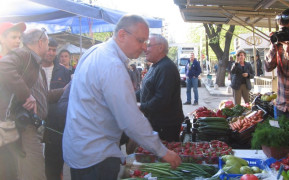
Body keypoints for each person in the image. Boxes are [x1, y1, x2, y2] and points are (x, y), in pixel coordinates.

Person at [62, 14, 181, 180]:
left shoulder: (95, 51)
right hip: (96, 155)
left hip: (82, 149)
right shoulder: (112, 64)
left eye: (147, 42)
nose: (144, 47)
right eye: (141, 40)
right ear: (122, 35)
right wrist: (163, 151)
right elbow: (131, 120)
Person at [0, 28, 64, 180]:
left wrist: (66, 90)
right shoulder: (25, 54)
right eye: (48, 43)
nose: (49, 48)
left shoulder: (35, 64)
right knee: (33, 173)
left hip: (31, 128)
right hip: (25, 128)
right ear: (41, 42)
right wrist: (26, 95)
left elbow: (43, 96)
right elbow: (3, 67)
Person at [136, 34, 184, 142]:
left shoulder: (166, 68)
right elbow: (146, 90)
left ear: (160, 47)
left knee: (163, 157)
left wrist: (141, 106)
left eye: (148, 45)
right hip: (156, 123)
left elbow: (162, 99)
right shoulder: (156, 65)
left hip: (165, 125)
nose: (145, 49)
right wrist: (128, 96)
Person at [42, 38, 71, 180]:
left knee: (53, 163)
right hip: (34, 120)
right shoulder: (33, 69)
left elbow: (67, 97)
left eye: (54, 50)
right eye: (49, 49)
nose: (51, 53)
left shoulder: (64, 72)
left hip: (55, 124)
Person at [0, 22, 26, 180]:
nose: (18, 41)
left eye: (19, 37)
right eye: (13, 37)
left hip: (16, 126)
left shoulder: (21, 64)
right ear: (2, 39)